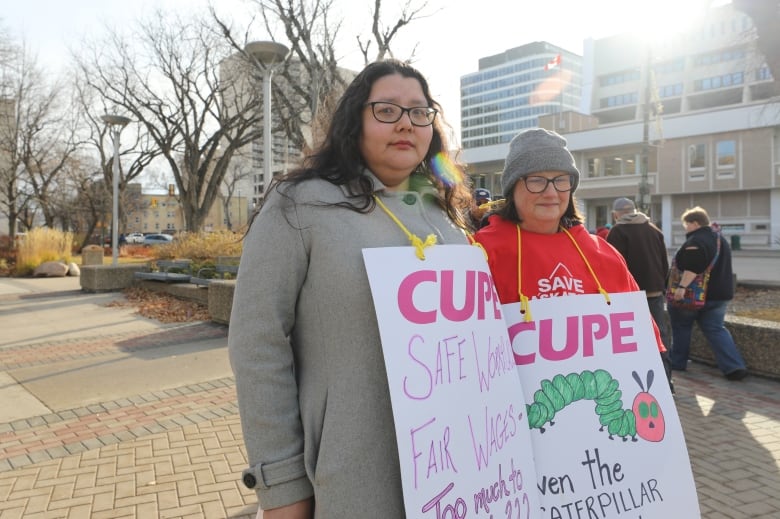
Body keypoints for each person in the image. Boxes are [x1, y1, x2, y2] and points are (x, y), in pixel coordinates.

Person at [228, 59, 472, 518]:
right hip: (351, 483)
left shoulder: (448, 219)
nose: (406, 122)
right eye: (386, 110)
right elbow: (258, 345)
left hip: (452, 478)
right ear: (353, 118)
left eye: (420, 111)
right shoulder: (299, 204)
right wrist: (280, 485)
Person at [472, 128, 668, 369]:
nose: (551, 192)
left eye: (561, 180)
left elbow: (642, 342)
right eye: (536, 180)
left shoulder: (602, 254)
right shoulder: (479, 252)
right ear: (512, 187)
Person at [668, 206, 748, 380]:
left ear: (695, 223)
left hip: (694, 295)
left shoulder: (696, 241)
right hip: (719, 295)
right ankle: (734, 366)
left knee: (682, 327)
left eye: (686, 224)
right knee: (716, 329)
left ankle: (678, 362)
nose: (685, 228)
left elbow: (693, 267)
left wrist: (681, 288)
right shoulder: (719, 239)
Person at [607, 197, 671, 350]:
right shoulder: (654, 229)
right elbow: (664, 262)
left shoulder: (617, 232)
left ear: (616, 215)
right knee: (659, 335)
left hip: (629, 293)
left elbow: (612, 265)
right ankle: (664, 370)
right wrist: (662, 285)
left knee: (632, 337)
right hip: (655, 290)